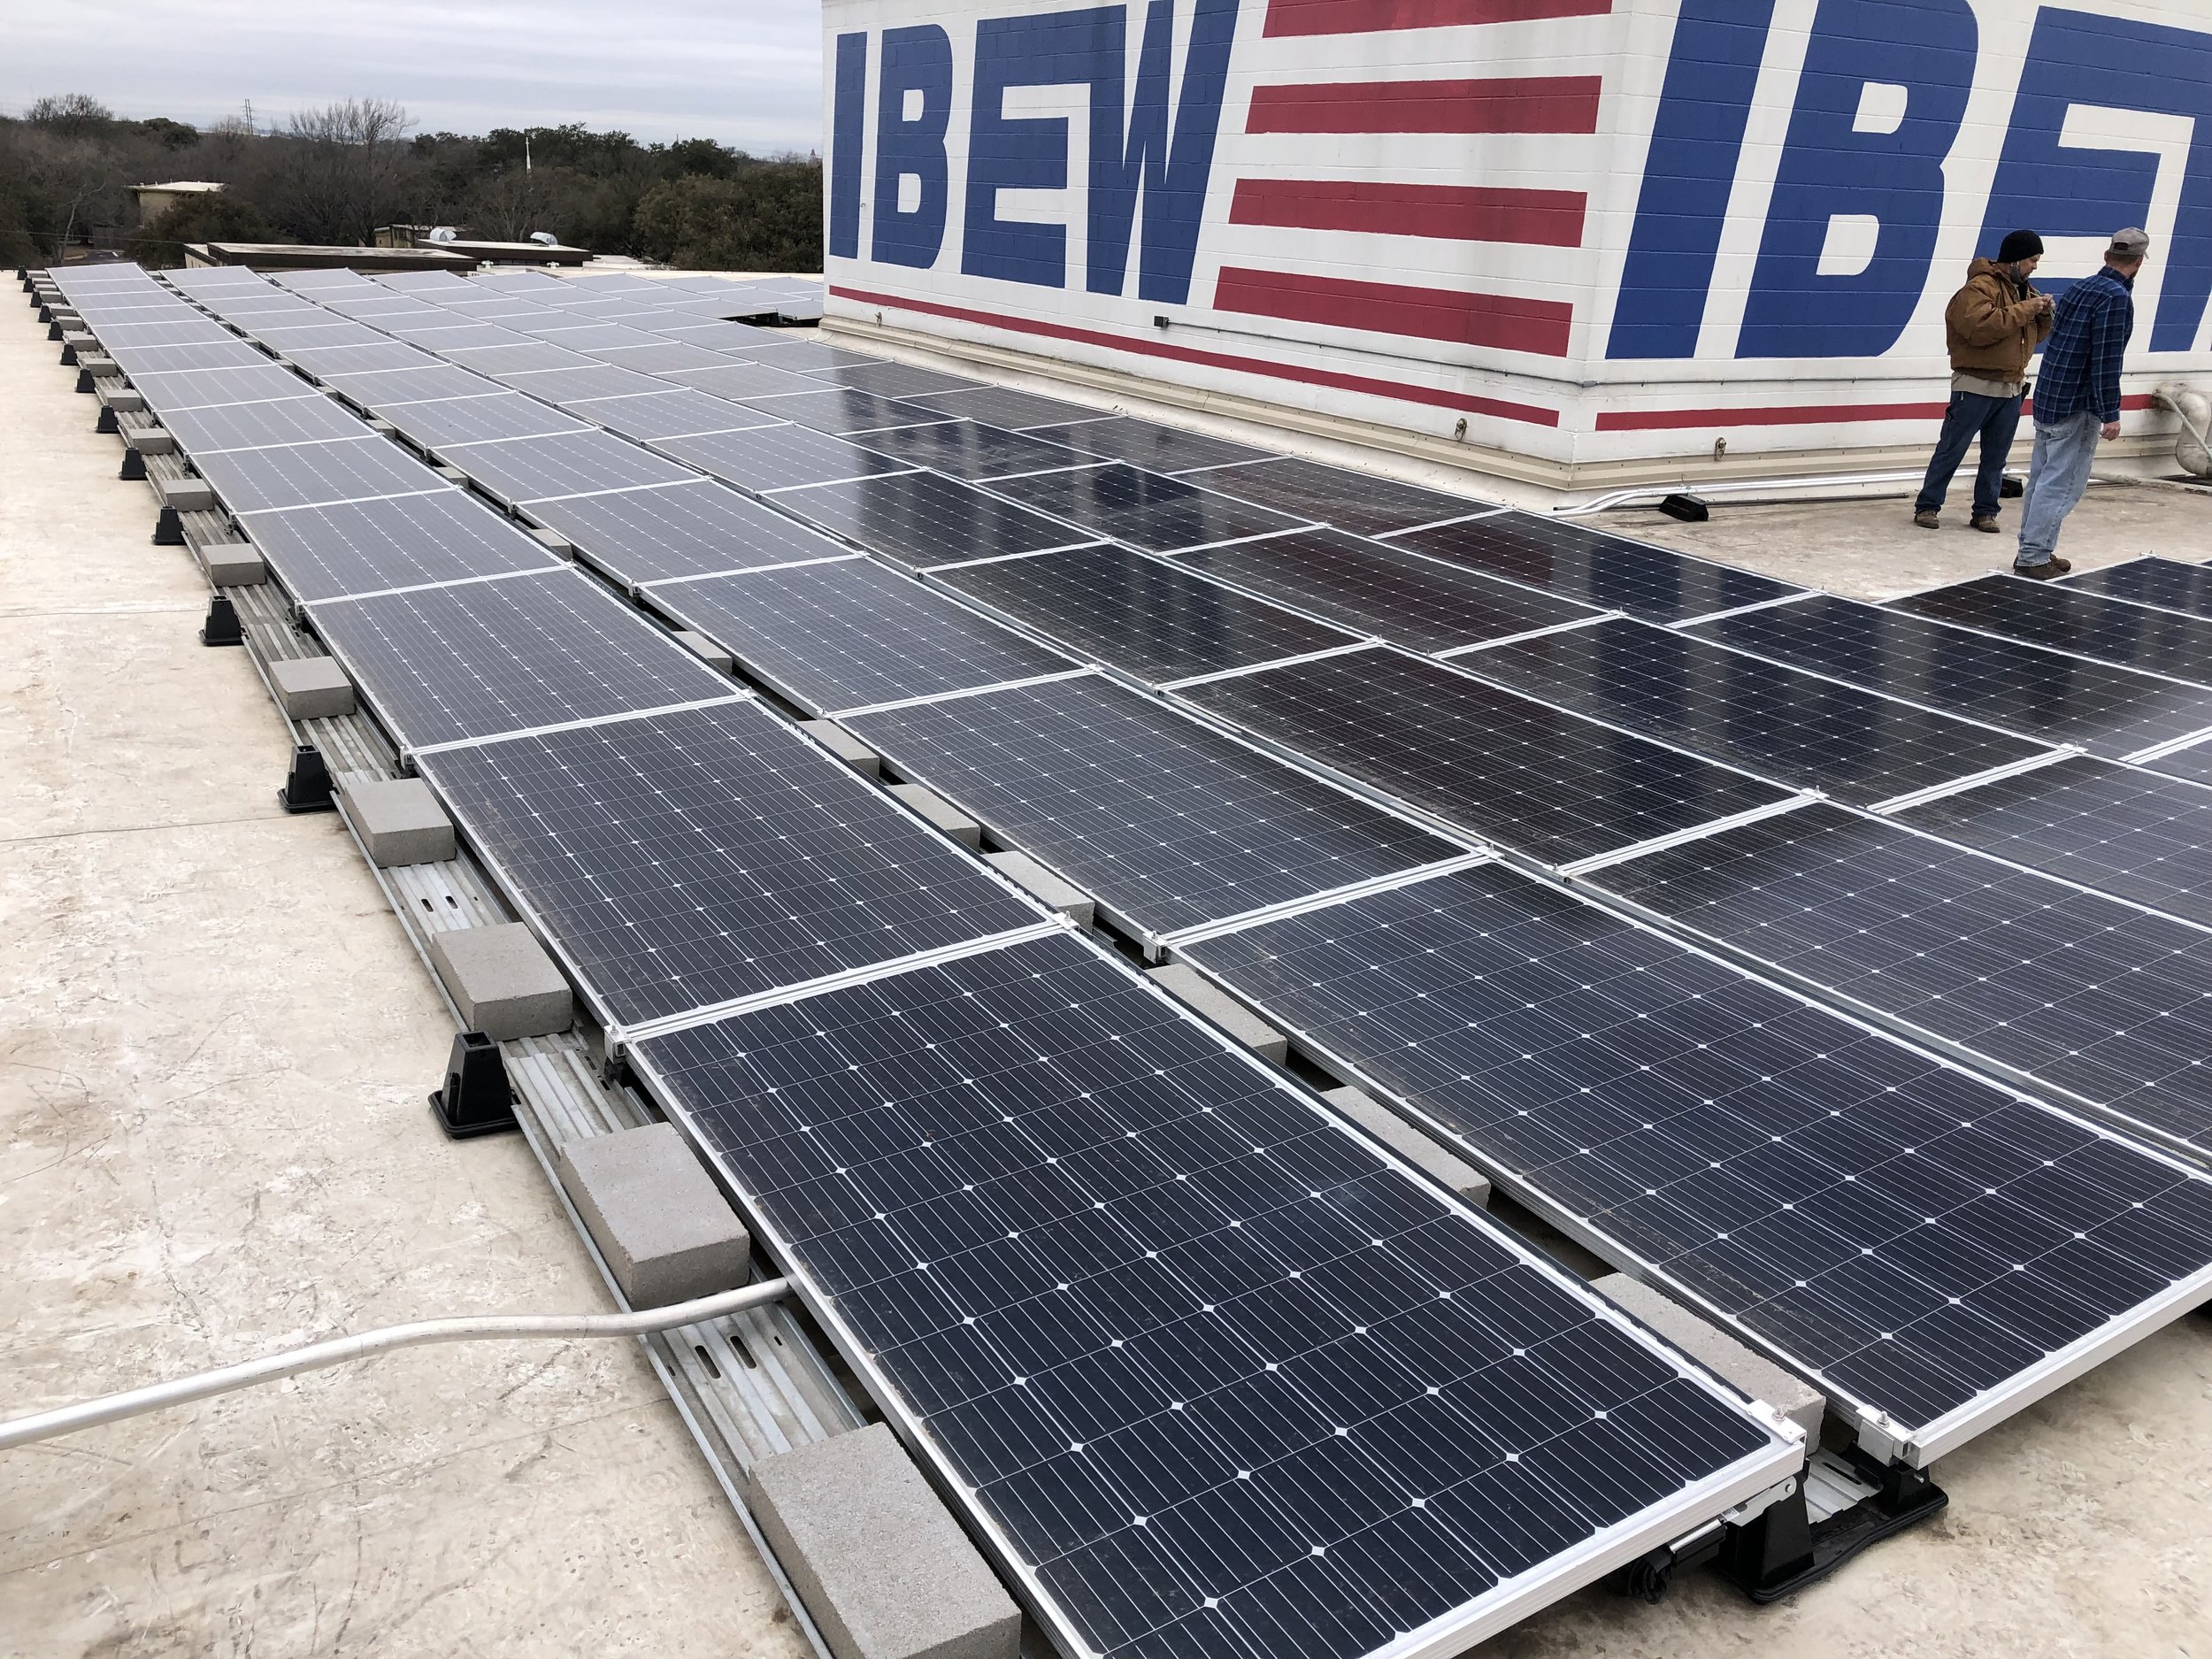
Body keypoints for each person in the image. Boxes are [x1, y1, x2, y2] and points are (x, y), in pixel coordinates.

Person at [2014, 227, 2151, 579]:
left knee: (2042, 479)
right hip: (2078, 404)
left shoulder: (2079, 288)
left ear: (2107, 256)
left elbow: (2057, 339)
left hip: (2051, 396)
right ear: (2137, 263)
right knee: (2062, 484)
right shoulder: (2115, 298)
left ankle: (2036, 547)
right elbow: (2106, 359)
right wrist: (2111, 413)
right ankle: (2032, 556)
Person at [1913, 230, 2052, 533]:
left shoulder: (2025, 292)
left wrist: (2044, 316)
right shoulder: (1977, 289)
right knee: (1952, 448)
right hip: (1974, 386)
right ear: (2015, 259)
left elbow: (2029, 338)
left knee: (1996, 457)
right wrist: (2029, 309)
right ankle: (1927, 506)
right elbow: (1981, 329)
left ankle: (1986, 511)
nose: (2035, 267)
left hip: (2011, 388)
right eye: (2032, 259)